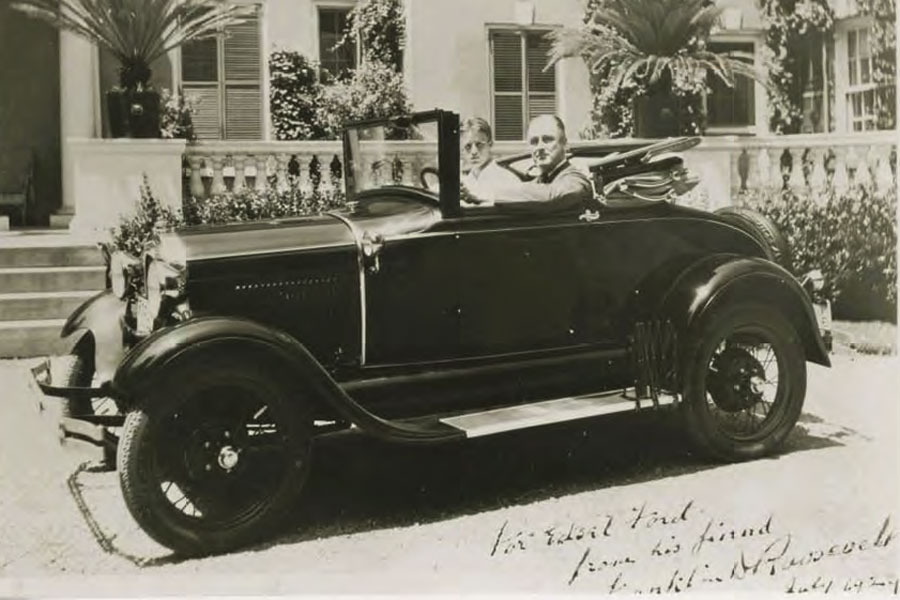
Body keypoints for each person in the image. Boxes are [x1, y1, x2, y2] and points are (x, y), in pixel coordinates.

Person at [462, 114, 594, 212]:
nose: (540, 147)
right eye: (534, 142)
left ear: (564, 144)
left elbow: (550, 195)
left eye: (548, 139)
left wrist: (486, 194)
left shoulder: (576, 180)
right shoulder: (536, 183)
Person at [460, 117, 520, 200]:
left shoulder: (507, 179)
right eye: (468, 146)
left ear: (490, 144)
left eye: (479, 145)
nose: (474, 152)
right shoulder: (465, 181)